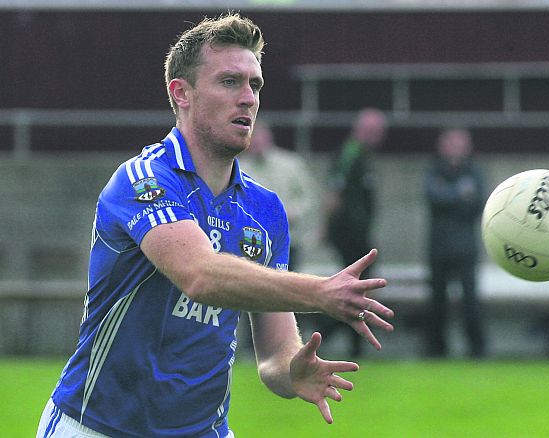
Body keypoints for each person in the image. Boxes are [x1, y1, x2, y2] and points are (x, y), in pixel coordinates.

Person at [37, 13, 394, 438]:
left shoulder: (265, 210)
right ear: (181, 93)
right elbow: (200, 275)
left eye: (255, 85)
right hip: (99, 426)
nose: (248, 99)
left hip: (204, 430)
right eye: (230, 82)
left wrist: (291, 370)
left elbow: (275, 354)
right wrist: (320, 292)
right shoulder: (143, 179)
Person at [320, 108, 388, 358]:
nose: (378, 136)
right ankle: (324, 334)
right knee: (354, 290)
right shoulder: (350, 154)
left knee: (359, 290)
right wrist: (326, 227)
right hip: (348, 233)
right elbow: (334, 191)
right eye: (373, 131)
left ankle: (355, 345)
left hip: (360, 235)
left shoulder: (364, 156)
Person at [424, 128, 487, 359]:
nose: (455, 148)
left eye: (460, 143)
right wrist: (460, 193)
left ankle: (477, 349)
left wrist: (449, 195)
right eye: (451, 143)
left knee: (471, 301)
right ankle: (435, 349)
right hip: (438, 248)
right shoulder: (433, 170)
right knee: (437, 302)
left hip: (465, 248)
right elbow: (433, 197)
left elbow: (479, 203)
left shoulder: (475, 171)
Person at [240, 119, 319, 271]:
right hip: (254, 241)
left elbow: (308, 197)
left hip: (289, 239)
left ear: (268, 137)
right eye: (252, 136)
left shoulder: (291, 164)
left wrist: (293, 212)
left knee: (289, 285)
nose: (256, 141)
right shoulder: (239, 168)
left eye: (259, 136)